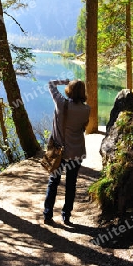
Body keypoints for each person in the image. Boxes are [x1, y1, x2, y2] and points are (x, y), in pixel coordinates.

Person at [43, 79, 90, 226]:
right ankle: (66, 215)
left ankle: (48, 214)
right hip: (76, 151)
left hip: (60, 151)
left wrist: (65, 81)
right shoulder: (86, 109)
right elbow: (83, 127)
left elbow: (50, 84)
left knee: (53, 182)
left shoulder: (61, 103)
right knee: (71, 184)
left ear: (69, 89)